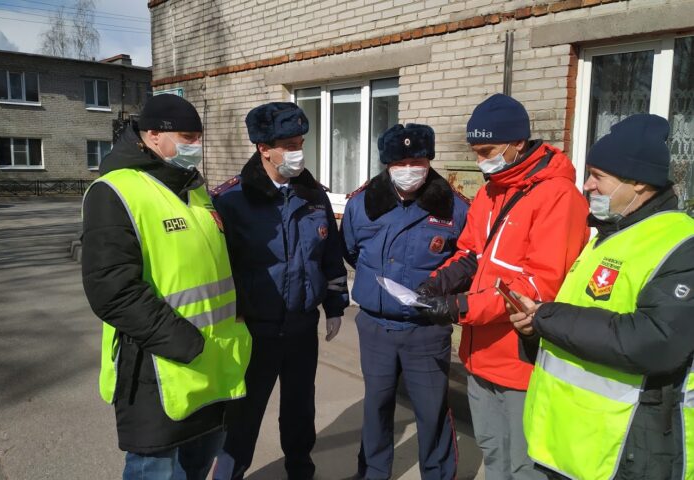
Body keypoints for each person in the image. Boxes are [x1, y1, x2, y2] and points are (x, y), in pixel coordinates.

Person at [509, 113, 694, 480]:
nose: (587, 185)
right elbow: (580, 326)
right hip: (568, 445)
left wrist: (546, 317)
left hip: (626, 451)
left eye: (598, 176)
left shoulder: (680, 244)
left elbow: (654, 341)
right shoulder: (608, 236)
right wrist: (532, 331)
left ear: (638, 182)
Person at [415, 93, 590, 480]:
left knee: (524, 466)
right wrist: (438, 282)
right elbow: (471, 252)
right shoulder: (491, 191)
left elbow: (536, 286)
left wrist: (460, 307)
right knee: (493, 454)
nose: (481, 161)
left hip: (521, 364)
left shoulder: (559, 197)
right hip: (479, 357)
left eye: (487, 151)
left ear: (518, 143)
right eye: (475, 152)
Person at [81, 93, 252, 480]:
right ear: (153, 135)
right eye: (188, 138)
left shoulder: (194, 188)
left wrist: (241, 313)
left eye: (199, 138)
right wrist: (187, 344)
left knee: (197, 466)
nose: (196, 146)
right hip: (156, 367)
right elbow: (113, 290)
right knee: (154, 472)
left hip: (212, 364)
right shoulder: (115, 191)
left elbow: (216, 262)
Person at [211, 101, 350, 480]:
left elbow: (330, 255)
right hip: (254, 329)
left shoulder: (313, 196)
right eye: (288, 145)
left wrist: (335, 305)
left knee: (300, 410)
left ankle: (300, 471)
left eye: (300, 143)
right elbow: (221, 267)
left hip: (302, 326)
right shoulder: (232, 200)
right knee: (243, 414)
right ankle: (228, 473)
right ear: (264, 148)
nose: (297, 152)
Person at [340, 123, 469, 480]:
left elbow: (468, 260)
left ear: (429, 161)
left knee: (432, 411)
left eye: (417, 161)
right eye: (401, 162)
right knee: (377, 406)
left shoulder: (455, 207)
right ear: (387, 163)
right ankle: (373, 473)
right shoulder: (361, 203)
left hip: (426, 330)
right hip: (376, 327)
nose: (409, 169)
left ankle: (438, 474)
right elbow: (351, 251)